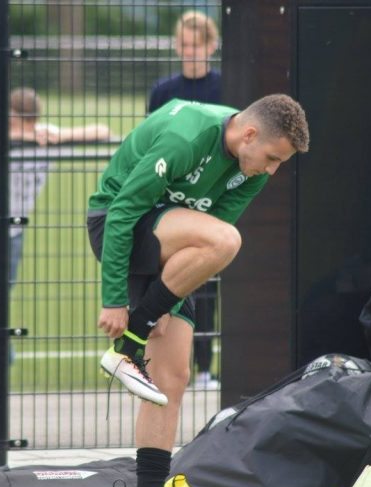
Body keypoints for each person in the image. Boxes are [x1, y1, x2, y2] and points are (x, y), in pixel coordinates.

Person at [86, 94, 309, 487]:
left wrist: (163, 304)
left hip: (171, 251)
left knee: (171, 377)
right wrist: (116, 300)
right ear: (249, 134)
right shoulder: (187, 136)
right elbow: (121, 212)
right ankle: (130, 338)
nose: (273, 170)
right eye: (273, 157)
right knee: (227, 239)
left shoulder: (252, 172)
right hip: (119, 225)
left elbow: (202, 250)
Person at [0, 87, 112, 391]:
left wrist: (61, 136)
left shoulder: (49, 135)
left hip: (13, 230)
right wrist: (20, 137)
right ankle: (4, 352)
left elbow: (104, 131)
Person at [148, 10, 222, 389]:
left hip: (206, 199)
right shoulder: (163, 91)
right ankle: (160, 364)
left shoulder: (224, 86)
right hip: (169, 198)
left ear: (211, 46)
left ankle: (206, 367)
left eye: (196, 45)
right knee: (165, 281)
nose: (189, 52)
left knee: (205, 284)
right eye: (183, 45)